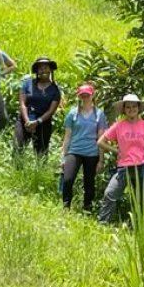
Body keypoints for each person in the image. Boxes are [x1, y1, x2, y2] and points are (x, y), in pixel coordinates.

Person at [98, 94, 144, 224]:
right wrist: (116, 150)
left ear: (138, 108)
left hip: (142, 166)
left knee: (141, 200)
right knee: (109, 194)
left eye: (134, 106)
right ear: (124, 109)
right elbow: (101, 142)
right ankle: (103, 224)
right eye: (128, 107)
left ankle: (141, 227)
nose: (131, 109)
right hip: (124, 167)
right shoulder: (119, 125)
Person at [60, 83, 107, 211]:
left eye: (87, 95)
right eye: (82, 95)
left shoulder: (99, 114)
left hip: (92, 153)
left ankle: (87, 209)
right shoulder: (72, 113)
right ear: (79, 96)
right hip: (74, 151)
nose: (85, 97)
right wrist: (63, 157)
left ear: (92, 95)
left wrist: (101, 160)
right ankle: (66, 207)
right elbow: (67, 136)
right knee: (68, 179)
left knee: (89, 184)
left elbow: (101, 138)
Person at [15, 56, 62, 155]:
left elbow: (51, 111)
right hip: (25, 121)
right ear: (37, 71)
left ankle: (40, 170)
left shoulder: (55, 90)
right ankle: (17, 169)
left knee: (41, 154)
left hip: (43, 123)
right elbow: (22, 103)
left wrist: (37, 122)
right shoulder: (28, 84)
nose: (43, 70)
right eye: (40, 68)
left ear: (50, 70)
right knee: (18, 149)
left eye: (46, 68)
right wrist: (27, 121)